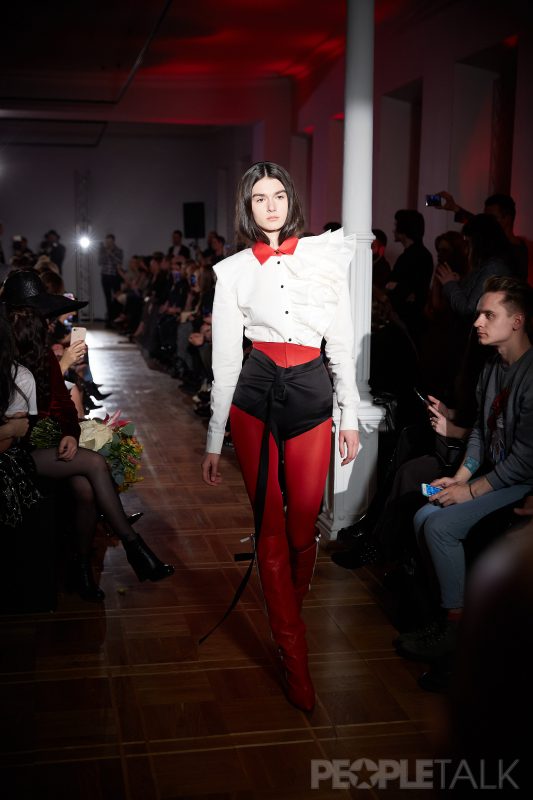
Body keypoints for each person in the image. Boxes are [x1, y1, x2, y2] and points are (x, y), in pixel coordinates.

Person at [201, 162, 360, 712]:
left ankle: (290, 607)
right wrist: (214, 438)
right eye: (259, 198)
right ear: (247, 208)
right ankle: (296, 658)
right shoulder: (232, 272)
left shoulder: (324, 258)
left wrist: (351, 416)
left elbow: (342, 345)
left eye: (278, 195)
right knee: (269, 528)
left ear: (292, 201)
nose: (270, 206)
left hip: (312, 395)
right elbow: (225, 361)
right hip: (255, 399)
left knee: (301, 525)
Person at [1, 270, 174, 601]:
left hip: (41, 441)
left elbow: (61, 402)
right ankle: (133, 545)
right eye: (35, 315)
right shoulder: (5, 355)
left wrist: (69, 432)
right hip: (14, 449)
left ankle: (81, 571)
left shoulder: (39, 349)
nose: (43, 322)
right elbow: (23, 412)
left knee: (85, 489)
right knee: (93, 464)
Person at [397, 276, 533, 661]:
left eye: (489, 315)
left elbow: (524, 460)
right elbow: (481, 433)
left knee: (439, 526)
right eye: (478, 314)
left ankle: (457, 629)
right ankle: (443, 614)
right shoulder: (492, 367)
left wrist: (469, 491)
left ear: (517, 321)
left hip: (522, 483)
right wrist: (458, 478)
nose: (477, 322)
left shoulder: (530, 375)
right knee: (423, 516)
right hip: (498, 475)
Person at [436, 191, 529, 281]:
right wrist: (454, 208)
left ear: (507, 219)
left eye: (492, 218)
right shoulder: (494, 242)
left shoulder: (514, 252)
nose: (487, 222)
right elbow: (478, 224)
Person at [386, 209, 433, 344]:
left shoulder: (412, 256)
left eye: (396, 226)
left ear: (404, 230)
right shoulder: (422, 254)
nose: (393, 230)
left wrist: (396, 288)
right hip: (411, 319)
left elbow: (402, 290)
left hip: (407, 321)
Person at [98, 234, 125, 328]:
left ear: (113, 241)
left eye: (110, 242)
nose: (108, 243)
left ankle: (115, 319)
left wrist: (111, 254)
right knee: (108, 298)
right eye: (107, 242)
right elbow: (100, 262)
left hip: (115, 276)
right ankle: (109, 320)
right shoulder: (102, 250)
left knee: (116, 298)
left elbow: (119, 262)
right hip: (105, 276)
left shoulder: (119, 251)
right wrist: (106, 253)